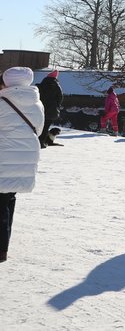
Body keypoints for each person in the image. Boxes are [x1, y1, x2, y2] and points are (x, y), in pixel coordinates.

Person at [0, 67, 45, 263]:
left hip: (4, 155)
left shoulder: (1, 103)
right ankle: (3, 246)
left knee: (1, 203)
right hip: (26, 155)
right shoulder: (37, 104)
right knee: (9, 198)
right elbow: (39, 129)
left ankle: (1, 249)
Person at [37, 69, 64, 148]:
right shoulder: (57, 86)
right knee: (46, 127)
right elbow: (60, 98)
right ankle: (41, 142)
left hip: (40, 109)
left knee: (38, 126)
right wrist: (56, 106)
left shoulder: (41, 85)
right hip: (51, 111)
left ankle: (35, 142)